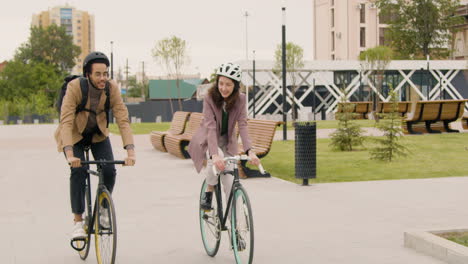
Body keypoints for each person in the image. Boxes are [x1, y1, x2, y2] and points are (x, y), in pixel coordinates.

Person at [54, 51, 136, 240]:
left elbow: (123, 119)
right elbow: (65, 121)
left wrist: (130, 151)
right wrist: (69, 154)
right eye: (98, 74)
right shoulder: (74, 88)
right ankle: (77, 222)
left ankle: (103, 210)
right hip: (74, 135)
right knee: (78, 171)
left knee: (109, 170)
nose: (103, 78)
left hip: (98, 134)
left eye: (105, 73)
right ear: (87, 74)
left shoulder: (111, 88)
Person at [188, 62, 260, 211]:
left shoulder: (241, 99)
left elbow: (243, 125)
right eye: (221, 83)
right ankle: (209, 190)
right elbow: (211, 127)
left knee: (230, 184)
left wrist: (249, 151)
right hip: (209, 139)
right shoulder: (210, 98)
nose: (224, 88)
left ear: (235, 86)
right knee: (217, 157)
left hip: (228, 142)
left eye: (228, 84)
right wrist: (214, 155)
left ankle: (236, 227)